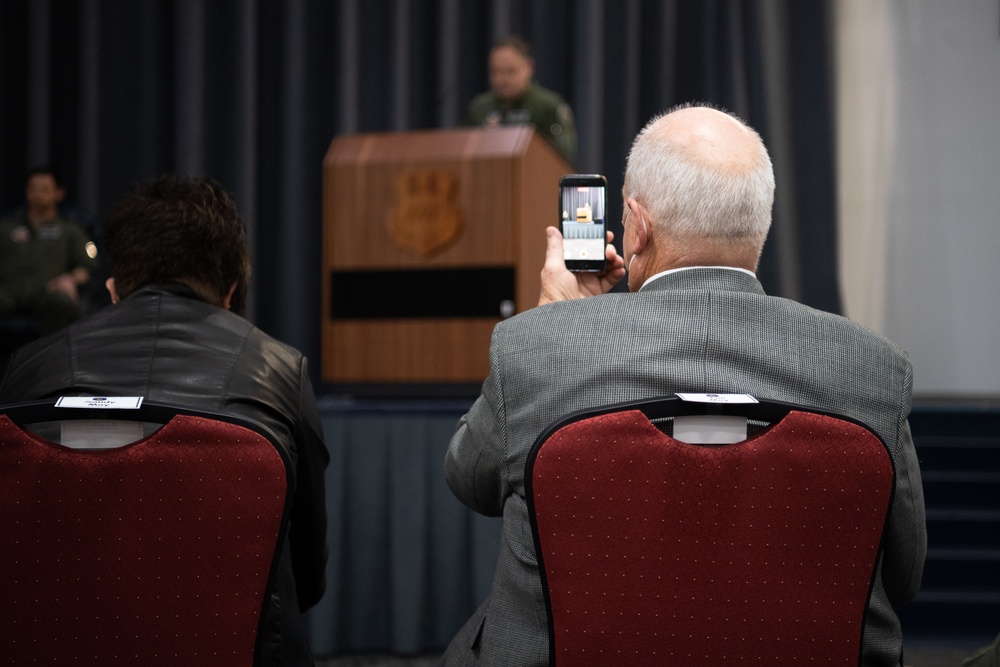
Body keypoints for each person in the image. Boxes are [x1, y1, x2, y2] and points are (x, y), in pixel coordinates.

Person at [442, 104, 926, 666]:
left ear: (637, 224)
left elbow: (468, 480)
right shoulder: (873, 368)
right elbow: (903, 571)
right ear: (758, 226)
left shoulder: (535, 349)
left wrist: (561, 324)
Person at [0, 175, 329, 666]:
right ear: (231, 292)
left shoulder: (26, 368)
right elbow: (307, 572)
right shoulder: (282, 369)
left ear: (114, 291)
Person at [0, 167, 98, 335]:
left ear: (59, 193)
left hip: (47, 291)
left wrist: (71, 278)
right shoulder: (6, 228)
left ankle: (51, 356)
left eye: (44, 189)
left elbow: (88, 265)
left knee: (63, 302)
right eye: (33, 188)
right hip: (9, 292)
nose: (38, 193)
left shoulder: (71, 231)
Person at [465, 35, 577, 165]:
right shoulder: (479, 107)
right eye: (495, 72)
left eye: (510, 72)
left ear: (528, 67)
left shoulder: (548, 106)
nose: (502, 80)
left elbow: (563, 152)